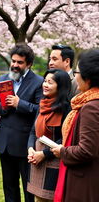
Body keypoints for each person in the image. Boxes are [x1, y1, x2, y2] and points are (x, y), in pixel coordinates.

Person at [0, 43, 43, 202]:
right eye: (13, 61)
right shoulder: (3, 79)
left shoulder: (39, 82)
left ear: (29, 64)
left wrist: (19, 103)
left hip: (25, 144)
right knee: (9, 185)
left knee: (29, 188)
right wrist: (4, 106)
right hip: (4, 143)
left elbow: (40, 110)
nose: (14, 65)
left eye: (19, 62)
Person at [52, 49, 99, 202]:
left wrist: (62, 151)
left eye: (77, 71)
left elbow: (86, 150)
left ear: (88, 78)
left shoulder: (91, 107)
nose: (75, 75)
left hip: (84, 183)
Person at [27, 69, 71, 202]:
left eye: (50, 82)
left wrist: (44, 154)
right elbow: (33, 131)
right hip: (37, 160)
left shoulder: (66, 109)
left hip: (54, 161)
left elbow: (65, 137)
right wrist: (30, 149)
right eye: (44, 81)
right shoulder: (42, 105)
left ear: (61, 86)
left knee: (49, 197)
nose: (45, 85)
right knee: (37, 198)